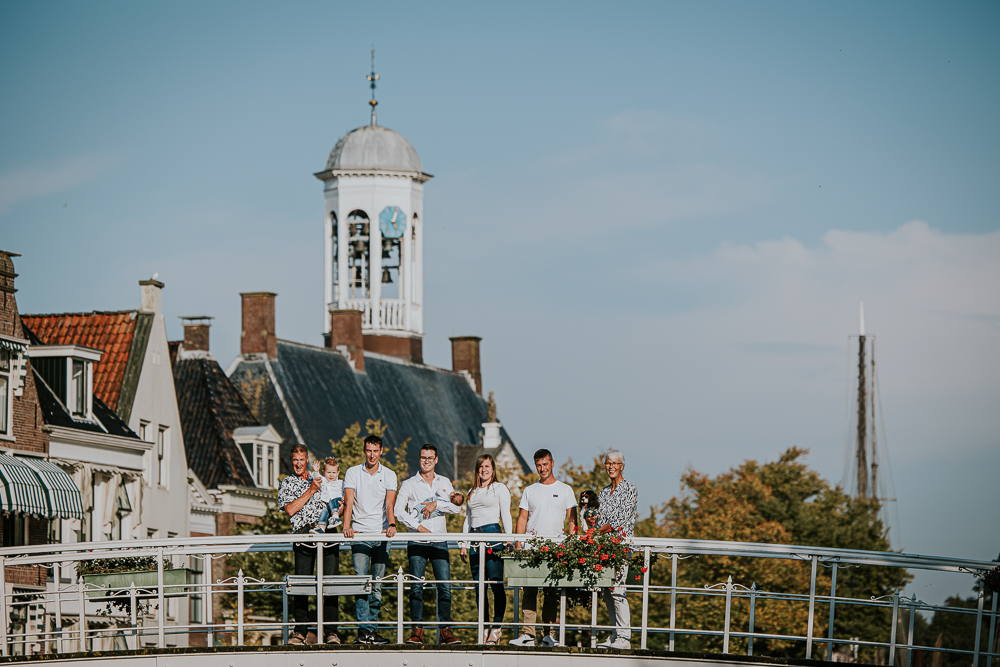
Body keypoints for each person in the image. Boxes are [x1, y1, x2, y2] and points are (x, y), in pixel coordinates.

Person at [393, 444, 463, 645]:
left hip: (440, 540)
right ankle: (417, 631)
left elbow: (456, 508)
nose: (426, 461)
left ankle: (445, 631)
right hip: (417, 540)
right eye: (423, 458)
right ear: (419, 459)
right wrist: (417, 527)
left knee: (445, 587)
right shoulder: (408, 484)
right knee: (416, 587)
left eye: (430, 458)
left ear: (436, 460)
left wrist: (436, 505)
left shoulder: (444, 482)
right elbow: (399, 511)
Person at [509, 449, 578, 647]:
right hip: (531, 547)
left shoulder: (566, 490)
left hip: (556, 548)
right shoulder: (529, 490)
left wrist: (571, 545)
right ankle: (528, 635)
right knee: (529, 591)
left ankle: (548, 635)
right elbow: (522, 519)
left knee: (551, 592)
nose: (542, 468)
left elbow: (572, 521)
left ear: (552, 463)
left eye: (545, 464)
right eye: (538, 465)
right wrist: (519, 546)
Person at [277, 445, 341, 645]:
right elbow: (290, 509)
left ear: (307, 460)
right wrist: (311, 489)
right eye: (295, 460)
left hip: (327, 531)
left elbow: (337, 497)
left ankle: (331, 633)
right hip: (303, 532)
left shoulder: (321, 477)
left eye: (301, 460)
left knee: (330, 583)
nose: (298, 463)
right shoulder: (286, 483)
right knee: (301, 585)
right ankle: (300, 632)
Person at [342, 434, 398, 645]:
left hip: (381, 534)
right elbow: (348, 502)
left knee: (376, 585)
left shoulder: (390, 475)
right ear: (364, 451)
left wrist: (391, 525)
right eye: (368, 451)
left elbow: (389, 505)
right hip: (360, 534)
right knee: (361, 582)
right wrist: (347, 527)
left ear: (381, 451)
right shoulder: (353, 472)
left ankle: (371, 630)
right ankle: (364, 631)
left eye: (375, 451)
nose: (372, 455)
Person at [459, 453, 513, 645]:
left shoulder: (499, 488)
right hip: (474, 537)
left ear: (493, 469)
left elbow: (505, 514)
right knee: (479, 586)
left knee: (496, 583)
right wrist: (464, 544)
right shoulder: (471, 491)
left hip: (492, 535)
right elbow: (467, 518)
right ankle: (483, 627)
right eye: (481, 466)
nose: (484, 470)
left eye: (487, 466)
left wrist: (509, 538)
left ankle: (496, 628)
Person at [595, 449, 638, 650]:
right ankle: (615, 633)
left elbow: (619, 521)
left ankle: (624, 636)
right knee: (606, 591)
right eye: (608, 463)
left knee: (618, 589)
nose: (611, 466)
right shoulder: (603, 492)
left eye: (615, 463)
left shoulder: (630, 489)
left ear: (622, 466)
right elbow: (600, 518)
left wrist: (597, 532)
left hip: (620, 546)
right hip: (604, 546)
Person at [310, 457, 344, 533]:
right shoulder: (323, 480)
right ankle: (321, 528)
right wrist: (315, 471)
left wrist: (345, 498)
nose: (331, 475)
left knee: (333, 501)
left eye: (334, 472)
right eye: (328, 472)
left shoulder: (341, 483)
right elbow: (316, 478)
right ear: (323, 472)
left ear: (338, 473)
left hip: (337, 501)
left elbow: (346, 491)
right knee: (325, 511)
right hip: (328, 504)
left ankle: (335, 517)